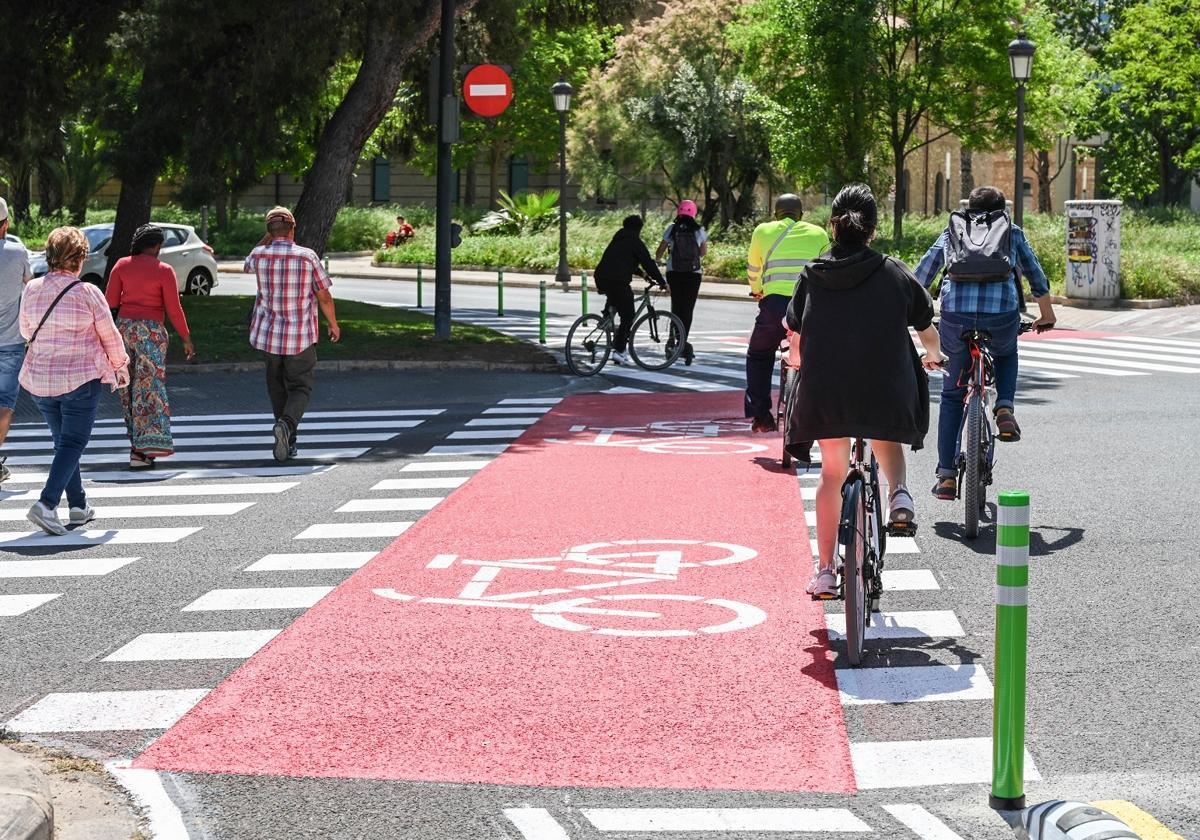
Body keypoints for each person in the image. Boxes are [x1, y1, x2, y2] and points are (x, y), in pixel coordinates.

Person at [784, 184, 944, 599]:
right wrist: (934, 355)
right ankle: (899, 495)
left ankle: (824, 571)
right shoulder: (893, 271)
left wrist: (797, 360)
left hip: (827, 393)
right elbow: (926, 325)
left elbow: (796, 336)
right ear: (873, 229)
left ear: (832, 226)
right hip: (883, 389)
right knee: (883, 432)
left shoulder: (813, 274)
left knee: (832, 473)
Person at [913, 186, 1056, 501]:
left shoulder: (953, 229)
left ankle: (947, 477)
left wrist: (913, 316)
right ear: (1002, 208)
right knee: (1006, 354)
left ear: (968, 207)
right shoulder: (1011, 230)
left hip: (955, 316)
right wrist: (1046, 314)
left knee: (952, 397)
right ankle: (1004, 406)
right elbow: (1035, 275)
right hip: (1001, 314)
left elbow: (921, 275)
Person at [20, 227, 129, 535]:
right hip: (80, 380)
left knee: (64, 444)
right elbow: (110, 335)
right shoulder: (88, 292)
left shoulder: (33, 289)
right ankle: (46, 504)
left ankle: (78, 505)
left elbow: (27, 331)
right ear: (80, 259)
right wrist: (120, 367)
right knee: (73, 443)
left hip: (41, 381)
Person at [245, 206, 340, 461]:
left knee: (276, 387)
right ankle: (286, 425)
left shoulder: (259, 256)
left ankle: (289, 438)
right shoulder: (307, 257)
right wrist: (333, 323)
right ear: (294, 228)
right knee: (300, 386)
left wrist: (269, 236)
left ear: (268, 231)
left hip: (268, 335)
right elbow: (324, 296)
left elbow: (247, 263)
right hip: (300, 336)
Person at [105, 224, 196, 470]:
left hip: (124, 331)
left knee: (128, 390)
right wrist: (186, 338)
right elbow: (174, 309)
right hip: (152, 335)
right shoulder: (164, 270)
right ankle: (145, 450)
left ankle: (136, 447)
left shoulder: (121, 265)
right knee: (149, 390)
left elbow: (111, 301)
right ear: (156, 246)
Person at [745, 193, 830, 432]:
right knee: (817, 356)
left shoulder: (762, 231)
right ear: (802, 215)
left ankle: (761, 415)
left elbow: (754, 268)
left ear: (775, 214)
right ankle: (818, 413)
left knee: (759, 355)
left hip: (774, 307)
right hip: (809, 307)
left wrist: (757, 291)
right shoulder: (818, 233)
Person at [592, 215, 666, 364]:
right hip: (617, 281)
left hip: (601, 277)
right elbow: (648, 263)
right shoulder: (635, 242)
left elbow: (624, 261)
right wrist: (662, 282)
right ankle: (619, 350)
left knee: (616, 298)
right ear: (639, 229)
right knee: (628, 315)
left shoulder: (618, 239)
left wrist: (641, 274)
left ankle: (607, 317)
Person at [0, 197, 32, 484]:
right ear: (6, 224)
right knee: (5, 404)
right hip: (10, 342)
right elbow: (30, 284)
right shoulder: (17, 251)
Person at [654, 200, 707, 365]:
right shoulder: (699, 230)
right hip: (693, 274)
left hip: (674, 273)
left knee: (676, 307)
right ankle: (682, 342)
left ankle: (671, 340)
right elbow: (703, 253)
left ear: (679, 212)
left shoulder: (672, 229)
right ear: (693, 213)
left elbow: (660, 251)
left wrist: (658, 260)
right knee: (688, 309)